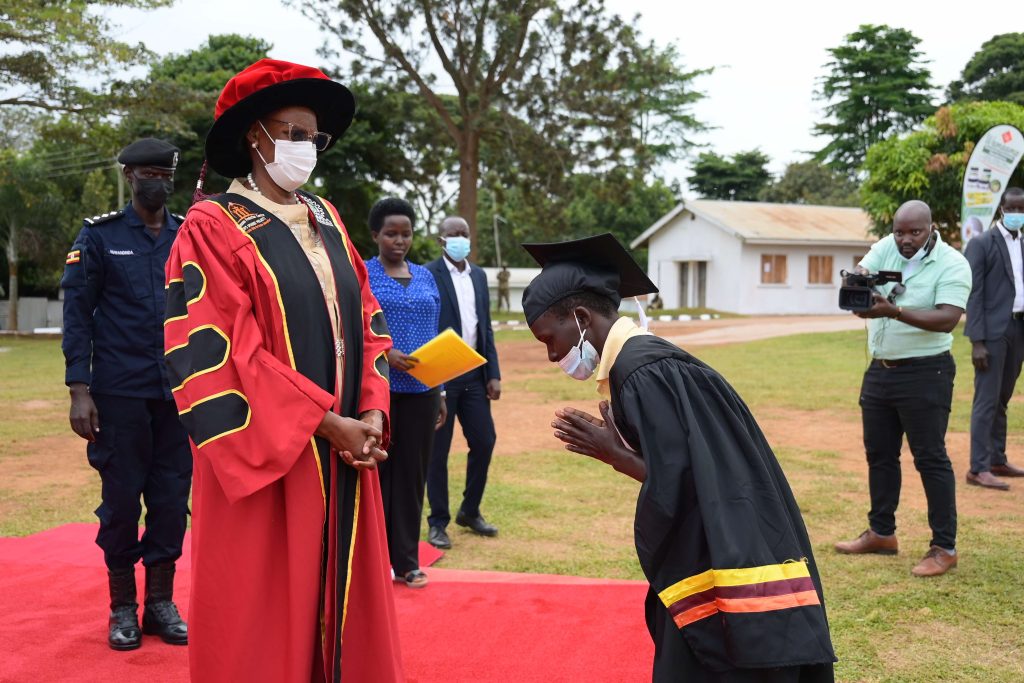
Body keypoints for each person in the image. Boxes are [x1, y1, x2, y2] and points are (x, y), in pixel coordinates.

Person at [164, 59, 402, 681]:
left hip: (345, 444)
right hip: (274, 452)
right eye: (292, 133)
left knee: (343, 599)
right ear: (255, 136)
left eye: (313, 137)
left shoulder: (325, 218)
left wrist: (371, 410)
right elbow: (226, 352)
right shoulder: (213, 225)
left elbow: (368, 319)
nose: (306, 148)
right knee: (262, 613)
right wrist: (326, 424)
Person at [521, 233, 836, 683]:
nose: (553, 355)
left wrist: (614, 455)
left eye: (550, 338)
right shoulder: (644, 361)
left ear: (581, 317)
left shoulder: (643, 373)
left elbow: (681, 482)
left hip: (721, 544)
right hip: (731, 522)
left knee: (721, 657)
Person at [61, 138, 190, 652]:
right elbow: (77, 314)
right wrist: (78, 389)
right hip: (119, 393)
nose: (156, 181)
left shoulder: (187, 235)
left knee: (169, 498)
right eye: (147, 173)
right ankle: (121, 607)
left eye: (165, 172)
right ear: (130, 177)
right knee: (120, 501)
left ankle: (160, 602)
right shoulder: (100, 237)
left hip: (178, 393)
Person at [835, 200, 971, 578]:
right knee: (879, 455)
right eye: (900, 232)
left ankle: (944, 546)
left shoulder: (952, 263)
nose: (905, 240)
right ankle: (882, 533)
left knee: (930, 458)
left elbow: (947, 319)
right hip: (880, 371)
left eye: (915, 232)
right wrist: (857, 283)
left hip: (927, 372)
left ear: (932, 227)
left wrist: (893, 311)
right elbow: (860, 272)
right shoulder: (884, 247)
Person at [365, 197, 447, 588]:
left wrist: (442, 392)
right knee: (378, 476)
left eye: (406, 234)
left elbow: (434, 333)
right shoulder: (362, 275)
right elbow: (354, 327)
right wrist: (386, 351)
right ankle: (375, 562)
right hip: (379, 390)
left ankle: (408, 562)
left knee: (413, 478)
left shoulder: (426, 277)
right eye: (391, 234)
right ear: (375, 235)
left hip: (423, 391)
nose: (400, 241)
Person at [424, 216, 501, 549]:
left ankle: (470, 510)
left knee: (484, 440)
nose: (460, 239)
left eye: (464, 234)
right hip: (441, 375)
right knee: (437, 452)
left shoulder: (479, 276)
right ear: (441, 240)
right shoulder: (428, 274)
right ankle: (438, 521)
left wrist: (493, 372)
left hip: (473, 375)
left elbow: (485, 327)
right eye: (453, 235)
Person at [964, 187, 1024, 490]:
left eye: (1022, 209)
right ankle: (978, 467)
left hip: (1018, 329)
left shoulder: (1023, 242)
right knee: (986, 400)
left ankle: (997, 459)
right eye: (1012, 208)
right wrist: (977, 340)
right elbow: (973, 294)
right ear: (1002, 209)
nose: (1017, 214)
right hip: (991, 333)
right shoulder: (982, 244)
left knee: (1003, 398)